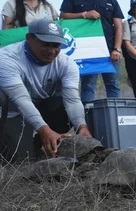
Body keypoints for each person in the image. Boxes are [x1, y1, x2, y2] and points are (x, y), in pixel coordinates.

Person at [0, 19, 91, 161]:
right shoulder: (7, 58)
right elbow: (21, 100)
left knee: (65, 103)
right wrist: (44, 129)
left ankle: (43, 144)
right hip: (13, 111)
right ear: (29, 38)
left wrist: (81, 127)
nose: (51, 51)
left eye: (56, 46)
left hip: (40, 106)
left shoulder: (66, 64)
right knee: (21, 162)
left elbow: (72, 100)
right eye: (45, 45)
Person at [59, 0, 124, 102]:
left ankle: (115, 116)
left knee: (113, 85)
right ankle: (88, 118)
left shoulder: (111, 0)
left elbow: (119, 27)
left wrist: (116, 49)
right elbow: (63, 17)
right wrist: (84, 14)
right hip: (86, 50)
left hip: (109, 49)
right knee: (88, 85)